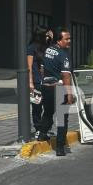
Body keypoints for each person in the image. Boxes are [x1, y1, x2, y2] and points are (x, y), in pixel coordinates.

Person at [37, 27, 74, 156]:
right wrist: (69, 93)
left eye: (69, 38)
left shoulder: (48, 50)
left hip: (46, 87)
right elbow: (66, 76)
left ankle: (42, 135)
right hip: (59, 89)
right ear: (59, 40)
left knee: (47, 113)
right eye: (66, 39)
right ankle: (59, 148)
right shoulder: (64, 55)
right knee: (62, 119)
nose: (69, 41)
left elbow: (42, 69)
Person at [27, 26, 52, 137]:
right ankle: (38, 128)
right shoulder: (31, 48)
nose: (48, 36)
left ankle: (45, 128)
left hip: (48, 82)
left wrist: (51, 39)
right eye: (46, 35)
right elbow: (29, 67)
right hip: (37, 82)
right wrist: (30, 82)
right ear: (41, 35)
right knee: (37, 106)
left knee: (49, 106)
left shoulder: (47, 47)